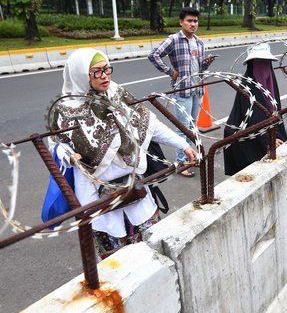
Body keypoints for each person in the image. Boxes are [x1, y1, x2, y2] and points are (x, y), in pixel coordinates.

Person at [50, 48, 197, 260]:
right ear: (81, 75)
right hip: (97, 192)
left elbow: (150, 125)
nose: (105, 76)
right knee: (116, 261)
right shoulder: (65, 109)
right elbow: (55, 143)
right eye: (97, 72)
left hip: (134, 186)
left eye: (107, 69)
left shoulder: (117, 93)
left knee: (151, 249)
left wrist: (183, 145)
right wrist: (68, 154)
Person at [148, 7, 215, 177]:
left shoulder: (199, 42)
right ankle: (182, 162)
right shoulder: (174, 40)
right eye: (189, 21)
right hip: (182, 90)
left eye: (195, 21)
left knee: (193, 126)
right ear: (181, 22)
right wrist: (170, 71)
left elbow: (200, 67)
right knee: (182, 127)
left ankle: (194, 156)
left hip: (197, 89)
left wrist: (207, 63)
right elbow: (153, 55)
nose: (193, 24)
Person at [223, 43, 287, 176]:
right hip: (246, 137)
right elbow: (253, 117)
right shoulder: (247, 85)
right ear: (252, 64)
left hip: (265, 131)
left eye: (266, 62)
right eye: (259, 62)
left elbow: (274, 111)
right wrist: (269, 139)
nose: (263, 65)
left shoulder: (270, 82)